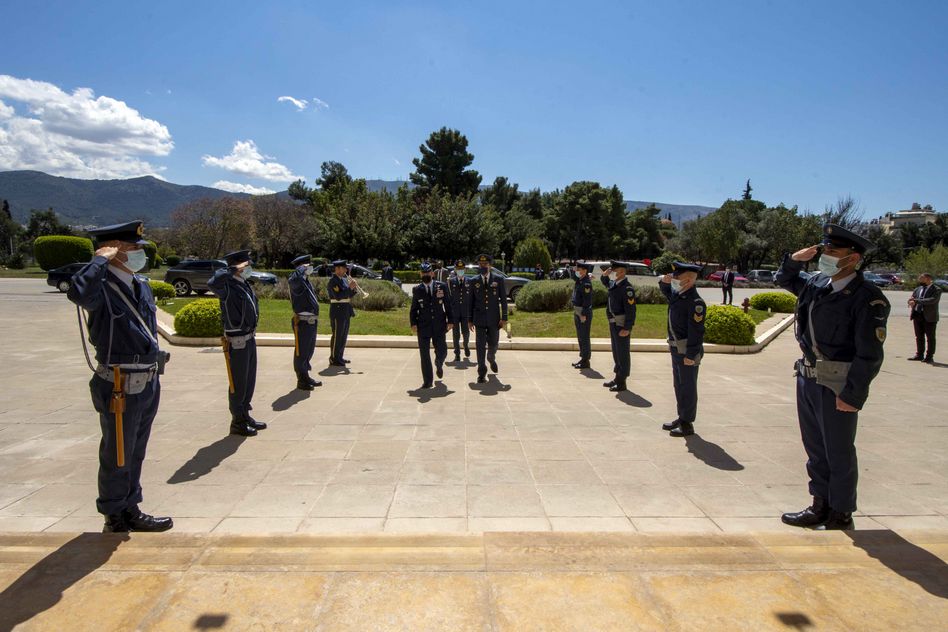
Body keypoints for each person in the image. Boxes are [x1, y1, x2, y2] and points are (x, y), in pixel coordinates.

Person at [776, 224, 890, 530]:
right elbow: (784, 278)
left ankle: (841, 512)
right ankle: (820, 504)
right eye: (824, 250)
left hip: (838, 382)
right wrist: (795, 259)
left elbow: (869, 355)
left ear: (852, 259)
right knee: (814, 447)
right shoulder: (816, 283)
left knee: (838, 450)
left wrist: (853, 395)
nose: (825, 256)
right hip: (808, 378)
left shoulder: (867, 298)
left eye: (833, 251)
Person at [67, 220, 173, 533]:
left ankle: (130, 507)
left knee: (135, 449)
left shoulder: (138, 284)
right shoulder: (99, 288)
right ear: (114, 250)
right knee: (117, 451)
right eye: (133, 248)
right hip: (118, 382)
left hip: (146, 379)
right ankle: (114, 513)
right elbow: (77, 292)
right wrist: (98, 260)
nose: (141, 252)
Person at [208, 250, 266, 437]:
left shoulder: (243, 284)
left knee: (249, 380)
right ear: (238, 267)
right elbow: (213, 283)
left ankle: (245, 414)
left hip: (249, 337)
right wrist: (230, 270)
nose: (249, 267)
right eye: (246, 265)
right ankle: (237, 422)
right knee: (238, 383)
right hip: (237, 341)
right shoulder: (227, 286)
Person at [658, 262, 707, 437]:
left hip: (687, 350)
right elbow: (665, 290)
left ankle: (687, 424)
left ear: (687, 280)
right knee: (679, 385)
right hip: (676, 348)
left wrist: (691, 354)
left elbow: (697, 331)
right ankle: (682, 416)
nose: (674, 279)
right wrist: (664, 281)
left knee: (687, 387)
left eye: (677, 277)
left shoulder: (695, 302)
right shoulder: (679, 295)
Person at [410, 263, 453, 388]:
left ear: (432, 274)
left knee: (442, 351)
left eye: (428, 273)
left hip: (439, 325)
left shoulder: (442, 286)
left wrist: (451, 321)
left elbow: (448, 304)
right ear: (420, 274)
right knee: (424, 354)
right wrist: (413, 323)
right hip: (423, 326)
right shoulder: (417, 289)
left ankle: (439, 362)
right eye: (423, 273)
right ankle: (427, 381)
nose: (426, 275)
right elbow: (414, 308)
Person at [469, 254, 508, 383]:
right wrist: (469, 320)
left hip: (494, 319)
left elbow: (503, 300)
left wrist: (504, 318)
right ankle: (481, 372)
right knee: (480, 346)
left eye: (485, 264)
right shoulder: (474, 280)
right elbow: (471, 301)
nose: (483, 266)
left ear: (490, 265)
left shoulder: (499, 279)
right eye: (481, 265)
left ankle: (491, 358)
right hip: (479, 319)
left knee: (493, 344)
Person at [600, 261, 636, 392]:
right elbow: (605, 282)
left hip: (621, 324)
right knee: (616, 352)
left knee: (622, 353)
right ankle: (617, 377)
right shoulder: (615, 285)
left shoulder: (627, 288)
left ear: (622, 272)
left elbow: (631, 310)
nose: (612, 272)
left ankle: (622, 381)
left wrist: (627, 328)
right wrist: (605, 275)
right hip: (613, 323)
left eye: (614, 270)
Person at [288, 254, 322, 390]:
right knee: (301, 352)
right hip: (302, 322)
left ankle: (305, 375)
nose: (310, 268)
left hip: (311, 321)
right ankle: (301, 379)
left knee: (308, 350)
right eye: (307, 266)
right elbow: (294, 280)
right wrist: (301, 269)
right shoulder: (296, 280)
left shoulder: (305, 280)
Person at [327, 260, 357, 366]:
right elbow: (338, 296)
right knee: (337, 335)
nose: (346, 270)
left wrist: (354, 288)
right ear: (338, 269)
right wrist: (350, 288)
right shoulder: (333, 281)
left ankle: (339, 356)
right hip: (337, 310)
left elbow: (348, 294)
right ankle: (333, 358)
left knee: (343, 336)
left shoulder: (343, 280)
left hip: (345, 311)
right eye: (344, 268)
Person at [908, 273, 941, 364]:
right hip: (918, 315)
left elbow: (932, 300)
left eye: (921, 278)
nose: (919, 280)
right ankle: (919, 355)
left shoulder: (936, 289)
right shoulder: (918, 289)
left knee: (930, 338)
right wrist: (910, 301)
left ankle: (929, 356)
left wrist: (916, 301)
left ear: (928, 279)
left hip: (930, 317)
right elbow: (912, 298)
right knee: (919, 337)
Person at [571, 262, 594, 369]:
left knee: (584, 336)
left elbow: (587, 300)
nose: (578, 271)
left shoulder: (586, 283)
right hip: (577, 311)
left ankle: (586, 360)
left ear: (584, 271)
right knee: (580, 336)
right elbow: (573, 277)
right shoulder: (581, 280)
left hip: (583, 312)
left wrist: (583, 314)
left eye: (579, 269)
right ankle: (583, 358)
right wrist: (573, 270)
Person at [448, 259, 471, 361]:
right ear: (455, 270)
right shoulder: (450, 282)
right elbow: (448, 298)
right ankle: (457, 353)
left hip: (466, 312)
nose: (460, 271)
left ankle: (466, 345)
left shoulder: (469, 282)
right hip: (455, 312)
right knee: (455, 333)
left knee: (466, 332)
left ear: (465, 270)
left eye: (462, 269)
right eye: (458, 269)